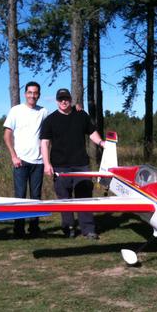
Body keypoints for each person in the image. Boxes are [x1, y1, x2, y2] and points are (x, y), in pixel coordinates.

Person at [40, 88, 105, 240]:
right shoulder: (50, 120)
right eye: (61, 99)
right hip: (60, 166)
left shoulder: (81, 115)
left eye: (66, 98)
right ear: (57, 101)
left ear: (70, 99)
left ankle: (88, 229)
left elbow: (92, 133)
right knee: (65, 199)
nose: (64, 101)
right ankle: (68, 228)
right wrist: (46, 164)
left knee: (84, 198)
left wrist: (102, 142)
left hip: (81, 164)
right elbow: (44, 143)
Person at [3, 81, 49, 238]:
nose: (32, 95)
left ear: (39, 95)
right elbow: (7, 135)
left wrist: (76, 110)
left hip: (38, 161)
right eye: (30, 92)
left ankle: (34, 228)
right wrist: (13, 156)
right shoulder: (16, 111)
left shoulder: (43, 112)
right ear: (25, 94)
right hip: (20, 161)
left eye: (35, 93)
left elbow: (53, 126)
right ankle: (19, 229)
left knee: (36, 197)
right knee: (20, 196)